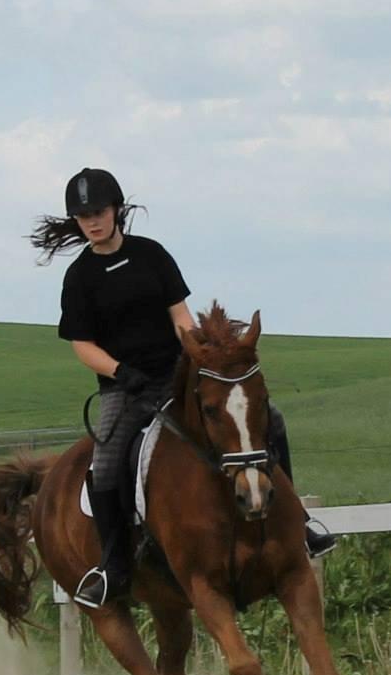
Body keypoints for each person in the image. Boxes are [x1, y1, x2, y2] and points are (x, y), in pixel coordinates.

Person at [30, 167, 335, 608]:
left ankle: (298, 524)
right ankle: (114, 566)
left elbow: (180, 315)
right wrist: (120, 372)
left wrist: (196, 354)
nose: (92, 221)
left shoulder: (151, 255)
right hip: (126, 389)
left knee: (273, 422)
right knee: (107, 464)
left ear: (117, 210)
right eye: (82, 216)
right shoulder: (79, 278)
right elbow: (83, 346)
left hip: (177, 376)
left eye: (98, 211)